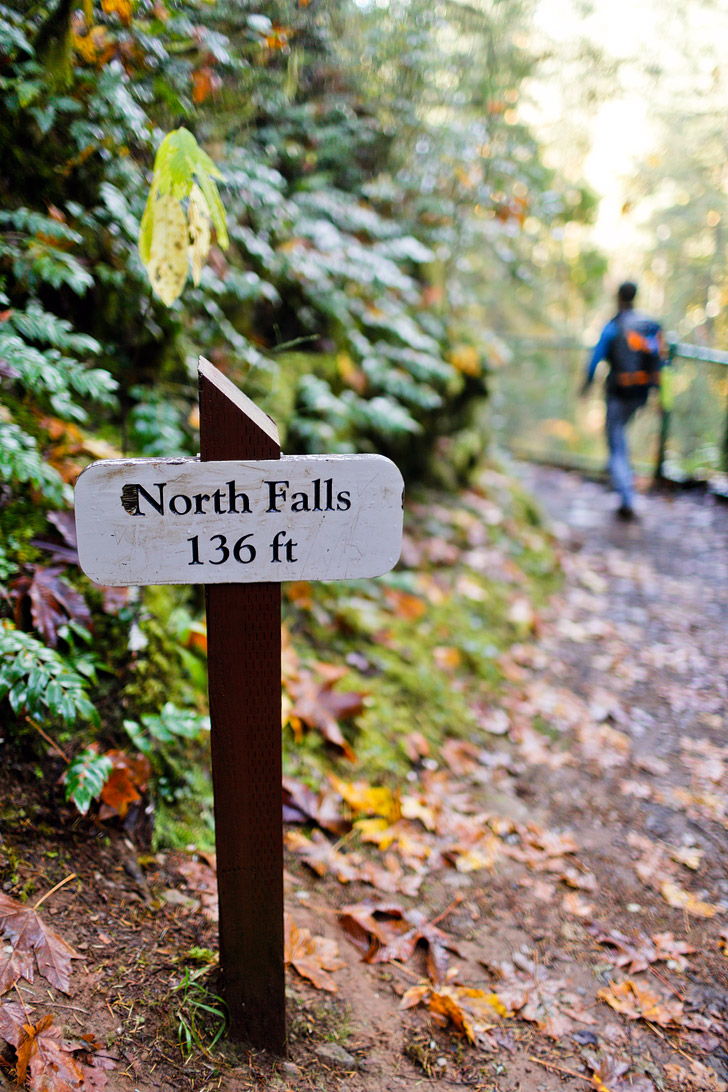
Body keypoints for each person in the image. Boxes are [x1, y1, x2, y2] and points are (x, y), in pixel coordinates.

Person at [582, 281, 664, 520]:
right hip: (640, 394)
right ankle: (619, 480)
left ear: (618, 297)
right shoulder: (648, 325)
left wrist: (585, 386)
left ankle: (627, 496)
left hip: (618, 393)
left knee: (616, 442)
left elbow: (595, 358)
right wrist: (659, 396)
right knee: (619, 437)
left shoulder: (614, 325)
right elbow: (661, 362)